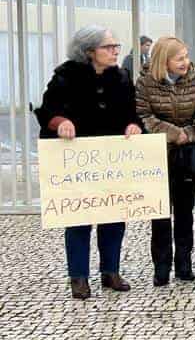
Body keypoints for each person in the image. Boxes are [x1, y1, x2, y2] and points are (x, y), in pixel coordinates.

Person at [35, 25, 142, 299]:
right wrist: (61, 122)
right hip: (79, 162)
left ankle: (111, 271)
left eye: (116, 46)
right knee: (79, 220)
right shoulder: (65, 76)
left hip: (112, 160)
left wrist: (134, 126)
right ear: (89, 51)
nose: (115, 51)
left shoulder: (121, 77)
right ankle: (79, 276)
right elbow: (48, 110)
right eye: (108, 47)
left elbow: (133, 113)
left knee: (115, 217)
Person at [135, 36, 195, 286]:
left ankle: (184, 265)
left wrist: (191, 133)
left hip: (187, 155)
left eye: (186, 56)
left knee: (185, 213)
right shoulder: (146, 82)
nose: (185, 62)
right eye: (179, 58)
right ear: (164, 60)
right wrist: (175, 134)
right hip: (158, 155)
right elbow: (143, 115)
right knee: (161, 214)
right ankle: (161, 267)